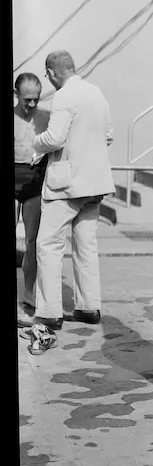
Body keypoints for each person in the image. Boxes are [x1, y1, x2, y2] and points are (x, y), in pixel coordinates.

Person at [20, 51, 115, 353]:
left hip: (67, 183)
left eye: (48, 75)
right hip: (95, 181)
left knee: (47, 244)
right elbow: (108, 135)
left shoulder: (65, 96)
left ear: (51, 72)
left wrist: (35, 142)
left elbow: (55, 138)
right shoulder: (96, 93)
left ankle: (49, 312)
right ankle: (89, 307)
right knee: (85, 244)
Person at [14, 73, 50, 327]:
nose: (32, 105)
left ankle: (29, 294)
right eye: (27, 100)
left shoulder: (46, 117)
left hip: (34, 184)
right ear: (16, 95)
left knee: (32, 242)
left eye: (36, 99)